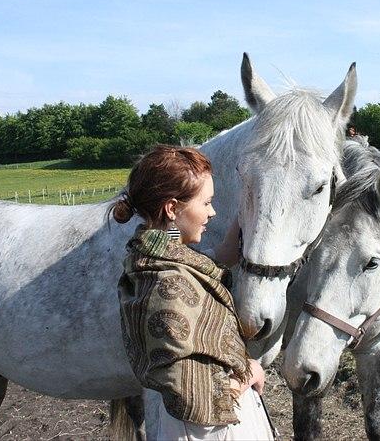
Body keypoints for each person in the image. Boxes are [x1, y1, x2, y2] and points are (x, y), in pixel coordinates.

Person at [112, 144, 275, 440]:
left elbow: (179, 252)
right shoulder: (167, 285)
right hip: (210, 430)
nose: (212, 212)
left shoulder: (149, 259)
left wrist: (229, 239)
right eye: (207, 203)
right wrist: (249, 373)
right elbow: (190, 395)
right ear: (172, 208)